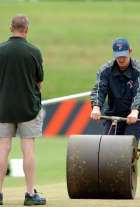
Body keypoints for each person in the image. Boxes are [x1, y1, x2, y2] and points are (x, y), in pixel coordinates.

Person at [0, 15, 46, 205]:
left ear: (11, 28)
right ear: (26, 29)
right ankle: (29, 194)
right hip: (28, 108)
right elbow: (39, 82)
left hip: (3, 108)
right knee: (28, 149)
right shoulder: (34, 51)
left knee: (3, 149)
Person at [90, 38, 140, 143]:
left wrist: (135, 110)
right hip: (114, 114)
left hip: (137, 115)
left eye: (124, 56)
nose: (121, 60)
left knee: (127, 146)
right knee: (108, 146)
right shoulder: (105, 70)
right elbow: (100, 88)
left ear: (130, 51)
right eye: (118, 57)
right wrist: (96, 107)